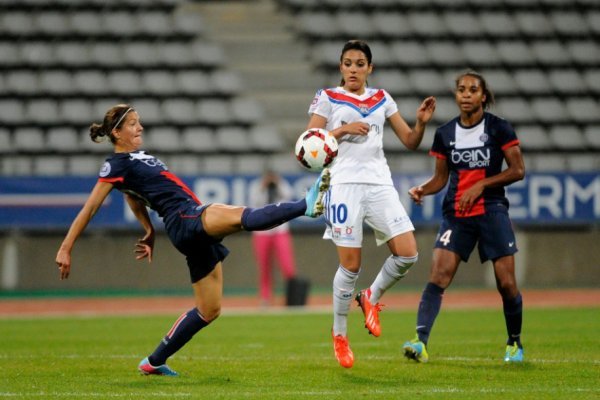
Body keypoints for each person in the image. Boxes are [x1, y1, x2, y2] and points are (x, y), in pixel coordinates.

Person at [55, 104, 330, 376]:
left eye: (138, 122)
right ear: (116, 132)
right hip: (185, 217)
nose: (140, 127)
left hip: (184, 227)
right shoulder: (113, 165)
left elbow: (130, 194)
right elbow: (90, 208)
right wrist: (66, 248)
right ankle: (305, 205)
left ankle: (154, 361)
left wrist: (148, 230)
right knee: (243, 216)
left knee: (209, 309)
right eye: (133, 123)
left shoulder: (135, 159)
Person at [306, 39, 436, 368]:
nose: (353, 69)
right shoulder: (328, 97)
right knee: (350, 265)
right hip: (344, 184)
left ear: (369, 68)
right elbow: (309, 142)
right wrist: (343, 129)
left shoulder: (382, 98)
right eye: (348, 63)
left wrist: (420, 123)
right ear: (340, 67)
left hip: (380, 183)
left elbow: (409, 141)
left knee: (408, 252)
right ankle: (339, 335)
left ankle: (371, 297)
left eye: (359, 64)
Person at [402, 70, 526, 363]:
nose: (466, 94)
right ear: (456, 95)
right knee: (439, 275)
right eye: (461, 90)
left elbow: (518, 170)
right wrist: (423, 189)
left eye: (473, 90)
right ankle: (420, 342)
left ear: (483, 96)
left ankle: (514, 343)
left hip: (492, 211)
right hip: (456, 214)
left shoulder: (499, 129)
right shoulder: (445, 133)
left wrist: (482, 184)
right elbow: (440, 179)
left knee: (506, 283)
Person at [248, 170, 298, 306]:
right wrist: (263, 186)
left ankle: (292, 296)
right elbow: (255, 202)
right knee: (264, 267)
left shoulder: (282, 184)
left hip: (280, 230)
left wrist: (277, 183)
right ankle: (266, 297)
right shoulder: (256, 186)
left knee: (288, 266)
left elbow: (288, 197)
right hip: (262, 232)